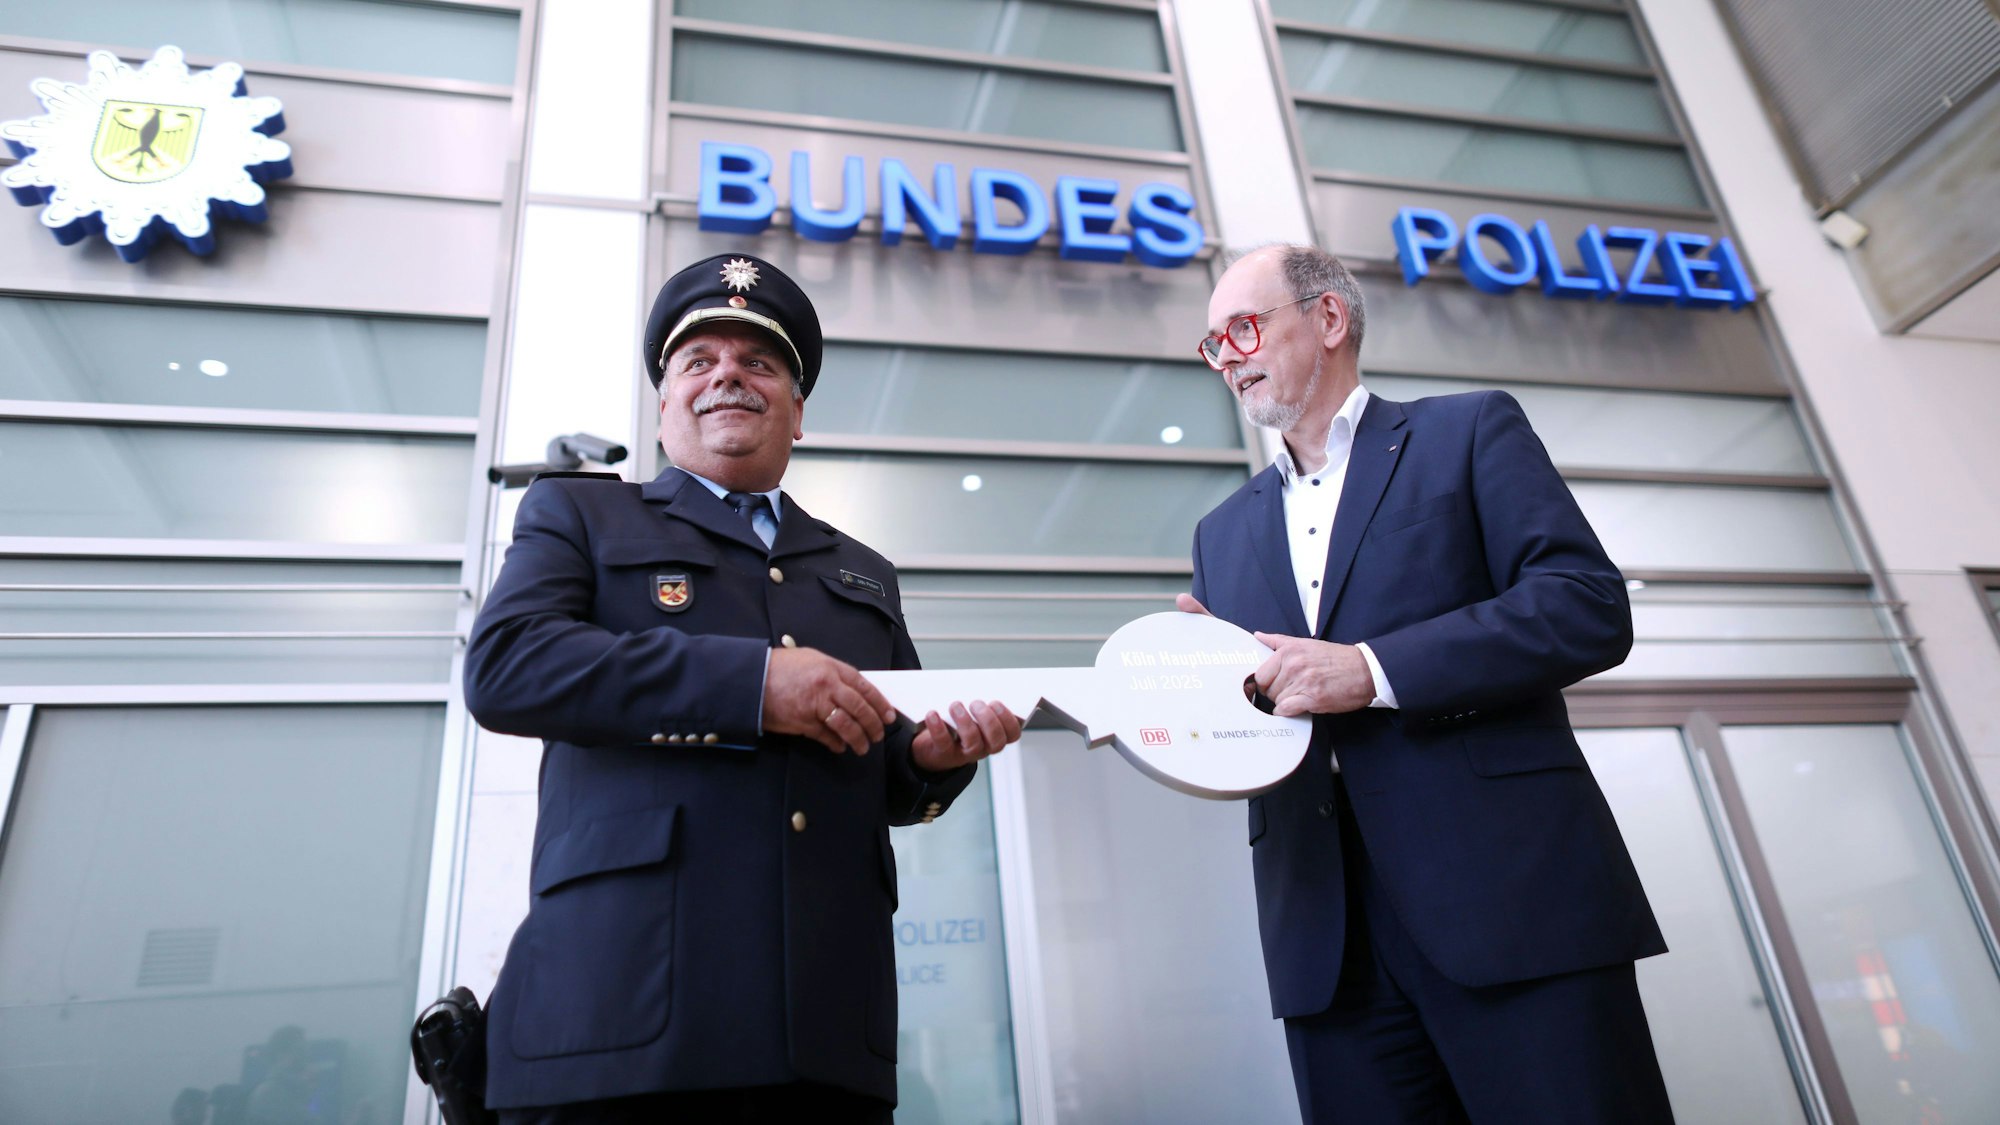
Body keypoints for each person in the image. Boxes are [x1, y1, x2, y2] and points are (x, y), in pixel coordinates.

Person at [463, 251, 1022, 1124]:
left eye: (759, 362)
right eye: (700, 361)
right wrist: (754, 684)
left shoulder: (861, 571)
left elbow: (891, 775)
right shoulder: (578, 514)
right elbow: (506, 667)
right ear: (665, 406)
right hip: (621, 1026)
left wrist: (930, 759)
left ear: (796, 412)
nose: (729, 375)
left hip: (824, 1037)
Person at [1179, 244, 1674, 1123]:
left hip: (1511, 905)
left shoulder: (1468, 431)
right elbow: (1259, 720)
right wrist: (1199, 695)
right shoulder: (1220, 534)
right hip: (1327, 946)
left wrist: (1371, 670)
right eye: (1213, 345)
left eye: (1244, 329)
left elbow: (1587, 605)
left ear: (1329, 319)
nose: (1229, 359)